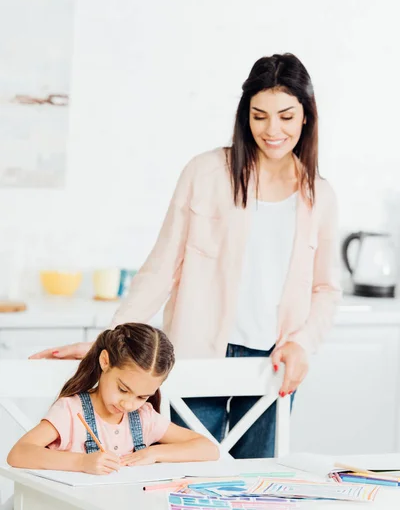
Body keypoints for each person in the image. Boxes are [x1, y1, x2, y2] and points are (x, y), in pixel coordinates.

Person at [31, 53, 341, 458]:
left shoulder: (319, 195)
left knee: (258, 486)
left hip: (272, 365)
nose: (272, 129)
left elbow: (325, 288)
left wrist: (301, 343)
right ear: (245, 115)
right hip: (196, 354)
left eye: (286, 115)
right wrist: (110, 339)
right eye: (259, 115)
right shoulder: (206, 172)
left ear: (306, 116)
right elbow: (162, 268)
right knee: (180, 478)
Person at [9, 323, 218, 474]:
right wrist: (81, 462)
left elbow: (208, 448)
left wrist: (155, 454)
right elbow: (19, 453)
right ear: (105, 361)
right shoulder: (71, 411)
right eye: (123, 389)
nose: (128, 404)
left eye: (142, 396)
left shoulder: (144, 418)